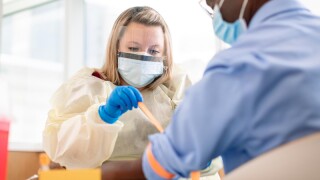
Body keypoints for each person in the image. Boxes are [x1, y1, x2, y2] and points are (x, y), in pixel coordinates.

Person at [101, 0, 320, 179]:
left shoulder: (238, 67)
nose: (215, 12)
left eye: (214, 3)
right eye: (133, 48)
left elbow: (154, 170)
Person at [42, 6, 193, 169]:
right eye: (133, 48)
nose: (144, 56)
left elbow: (200, 136)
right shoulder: (89, 87)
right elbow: (59, 148)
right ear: (116, 48)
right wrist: (103, 116)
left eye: (154, 50)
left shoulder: (175, 89)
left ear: (165, 55)